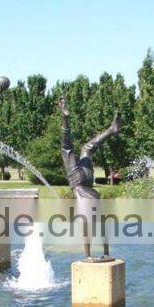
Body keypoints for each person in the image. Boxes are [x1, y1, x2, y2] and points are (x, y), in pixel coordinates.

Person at [59, 97, 121, 259]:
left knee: (67, 148)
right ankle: (111, 130)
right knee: (87, 148)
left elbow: (66, 146)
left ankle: (88, 256)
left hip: (79, 183)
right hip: (89, 181)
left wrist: (65, 117)